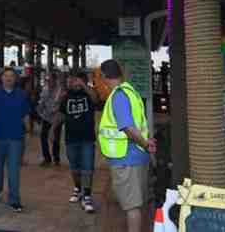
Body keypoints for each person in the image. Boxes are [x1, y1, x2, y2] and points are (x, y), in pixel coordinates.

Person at [97, 59, 157, 232]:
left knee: (131, 207)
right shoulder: (130, 91)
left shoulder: (119, 96)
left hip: (126, 159)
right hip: (136, 156)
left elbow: (128, 128)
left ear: (104, 76)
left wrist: (145, 144)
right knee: (136, 203)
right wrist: (145, 144)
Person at [0, 67, 31, 212]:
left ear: (16, 79)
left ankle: (14, 199)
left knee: (14, 170)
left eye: (11, 76)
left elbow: (26, 113)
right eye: (6, 75)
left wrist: (28, 130)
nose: (8, 78)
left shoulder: (21, 94)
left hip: (16, 137)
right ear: (1, 78)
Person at [51, 70, 98, 213]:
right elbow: (60, 114)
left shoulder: (88, 94)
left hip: (87, 138)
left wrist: (83, 85)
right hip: (71, 138)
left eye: (77, 80)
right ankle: (78, 188)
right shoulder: (66, 96)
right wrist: (53, 130)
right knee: (74, 167)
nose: (74, 83)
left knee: (88, 167)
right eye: (73, 81)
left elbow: (95, 99)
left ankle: (87, 196)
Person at [37, 70, 64, 166]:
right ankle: (46, 158)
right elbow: (41, 103)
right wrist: (39, 112)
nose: (48, 82)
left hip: (57, 117)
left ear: (55, 80)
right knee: (43, 137)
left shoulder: (60, 90)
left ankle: (56, 158)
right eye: (47, 80)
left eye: (50, 80)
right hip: (46, 117)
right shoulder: (45, 89)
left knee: (56, 138)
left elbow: (60, 105)